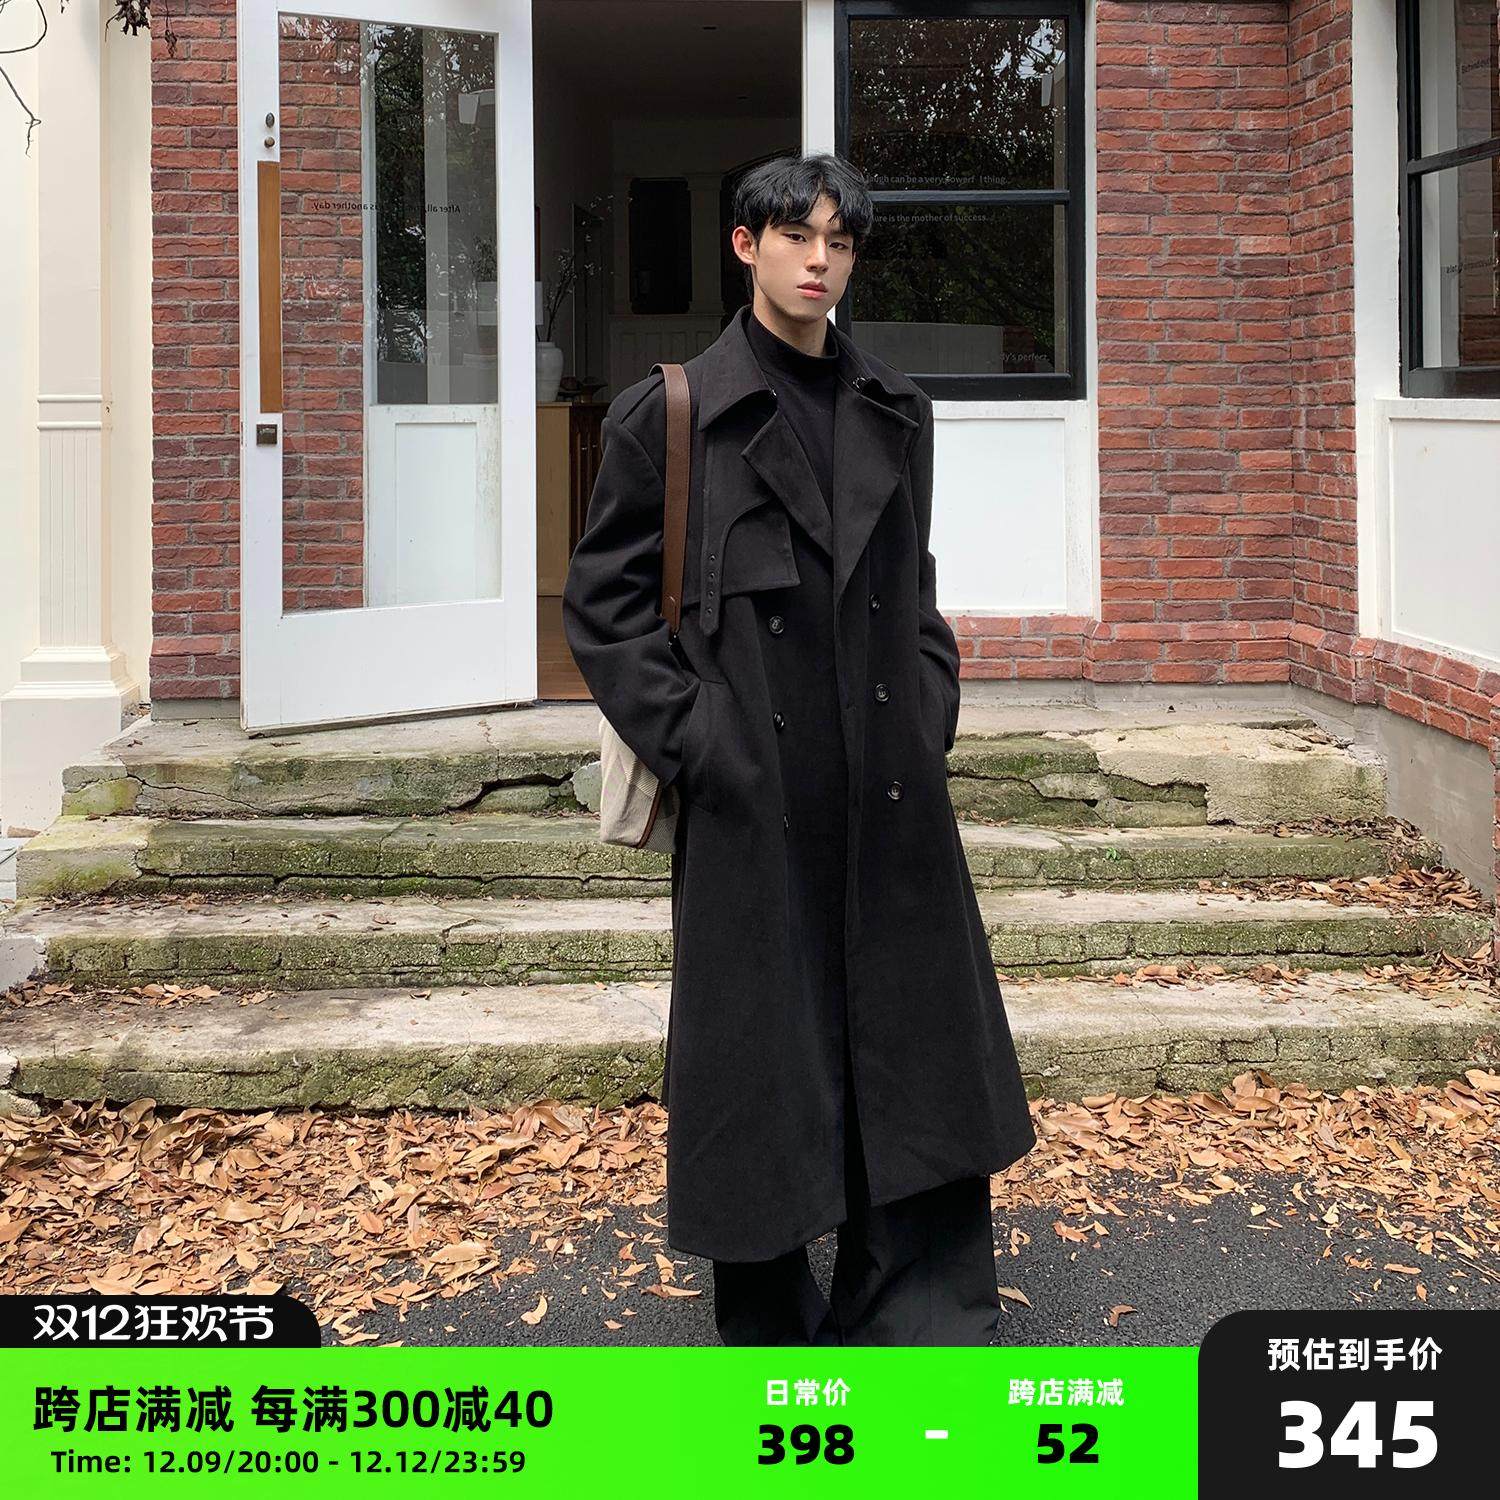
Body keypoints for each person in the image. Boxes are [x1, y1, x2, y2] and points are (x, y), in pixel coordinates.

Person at [562, 153, 1036, 1346]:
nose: (820, 261)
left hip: (888, 784)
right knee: (761, 1057)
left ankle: (920, 1304)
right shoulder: (671, 414)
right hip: (754, 788)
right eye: (796, 236)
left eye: (840, 242)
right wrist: (704, 742)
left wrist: (927, 711)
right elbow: (605, 609)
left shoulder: (896, 409)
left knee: (912, 1036)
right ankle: (772, 1311)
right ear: (746, 245)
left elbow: (915, 590)